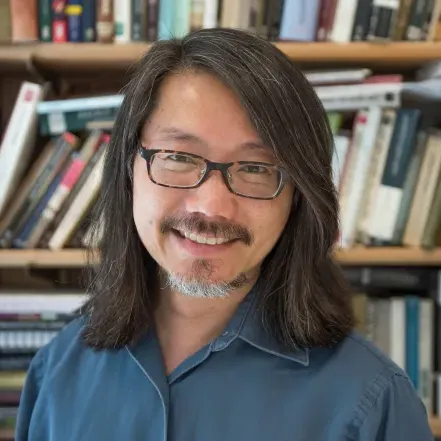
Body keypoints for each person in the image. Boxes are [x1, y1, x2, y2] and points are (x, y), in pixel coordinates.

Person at [16, 28, 433, 441]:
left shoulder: (373, 402)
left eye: (256, 168)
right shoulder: (56, 371)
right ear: (128, 169)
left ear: (298, 196)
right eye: (178, 157)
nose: (211, 206)